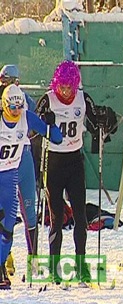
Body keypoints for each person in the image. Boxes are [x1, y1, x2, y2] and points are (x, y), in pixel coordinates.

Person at [35, 60, 117, 284]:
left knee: (80, 216)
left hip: (74, 160)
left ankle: (81, 266)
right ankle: (54, 266)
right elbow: (34, 124)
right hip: (54, 161)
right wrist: (45, 122)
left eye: (69, 87)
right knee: (56, 217)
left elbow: (94, 121)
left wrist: (103, 123)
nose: (65, 91)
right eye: (62, 86)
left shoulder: (82, 97)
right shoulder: (48, 99)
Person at [0, 84, 62, 289]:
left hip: (17, 167)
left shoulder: (26, 116)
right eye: (13, 107)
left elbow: (56, 138)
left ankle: (33, 265)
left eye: (19, 106)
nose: (17, 111)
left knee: (23, 217)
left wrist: (51, 124)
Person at [0, 65, 39, 277]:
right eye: (2, 81)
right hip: (3, 160)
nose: (4, 85)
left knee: (29, 212)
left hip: (22, 156)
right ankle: (5, 264)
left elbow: (35, 124)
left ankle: (34, 266)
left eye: (8, 81)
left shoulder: (24, 100)